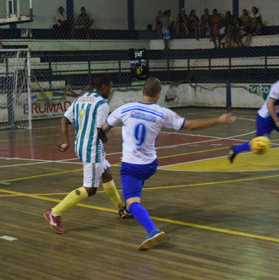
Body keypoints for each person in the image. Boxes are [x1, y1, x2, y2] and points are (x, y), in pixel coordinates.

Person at [100, 77, 235, 250]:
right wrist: (219, 120)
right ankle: (128, 210)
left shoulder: (125, 109)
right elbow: (191, 126)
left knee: (132, 202)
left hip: (131, 166)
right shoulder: (162, 113)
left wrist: (99, 140)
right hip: (150, 165)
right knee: (136, 185)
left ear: (142, 90)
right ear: (158, 94)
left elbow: (104, 129)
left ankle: (152, 230)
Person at [43, 75, 131, 234]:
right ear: (104, 86)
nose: (110, 91)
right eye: (110, 87)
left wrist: (65, 142)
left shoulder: (80, 99)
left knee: (106, 174)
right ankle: (55, 213)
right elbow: (100, 131)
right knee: (90, 188)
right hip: (92, 148)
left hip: (80, 145)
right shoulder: (102, 103)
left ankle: (121, 209)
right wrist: (106, 138)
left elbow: (63, 120)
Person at [229, 66, 279, 169]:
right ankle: (235, 149)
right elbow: (270, 104)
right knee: (260, 145)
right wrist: (277, 121)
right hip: (265, 117)